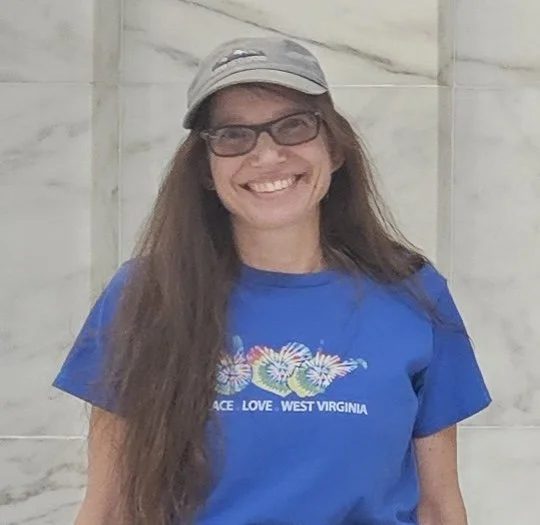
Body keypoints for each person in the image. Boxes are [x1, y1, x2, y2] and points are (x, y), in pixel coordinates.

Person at [53, 37, 491, 525]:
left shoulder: (414, 294)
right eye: (233, 135)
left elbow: (439, 507)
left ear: (335, 147)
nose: (266, 155)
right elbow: (107, 509)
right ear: (206, 167)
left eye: (294, 126)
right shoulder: (146, 294)